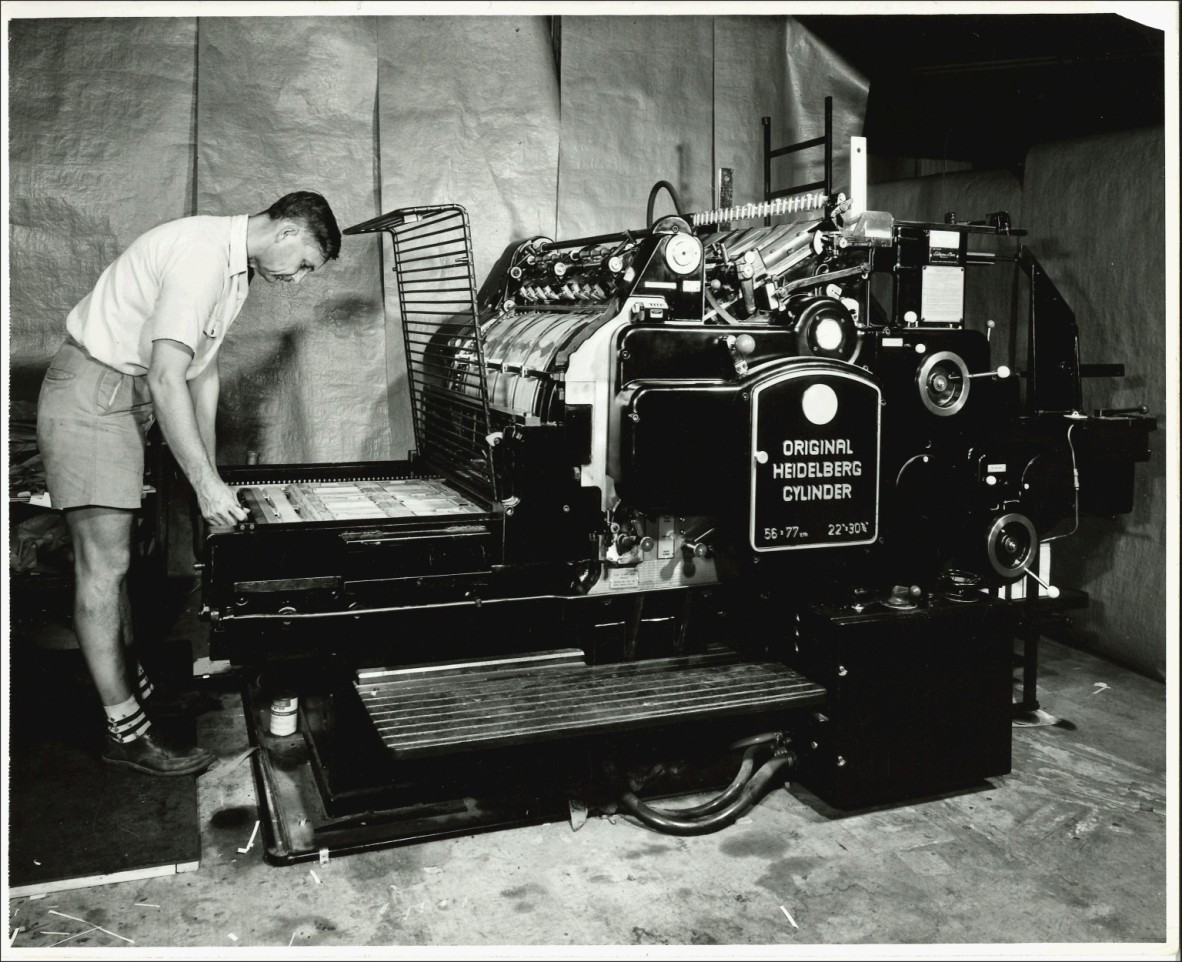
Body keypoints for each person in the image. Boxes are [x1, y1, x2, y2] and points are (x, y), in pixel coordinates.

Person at [36, 191, 341, 776]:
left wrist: (212, 477)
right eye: (304, 263)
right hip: (94, 393)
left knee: (121, 565)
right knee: (103, 567)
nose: (300, 279)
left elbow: (202, 375)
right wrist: (203, 486)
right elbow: (166, 375)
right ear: (284, 232)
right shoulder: (202, 255)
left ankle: (139, 699)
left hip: (127, 397)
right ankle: (124, 733)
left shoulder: (234, 271)